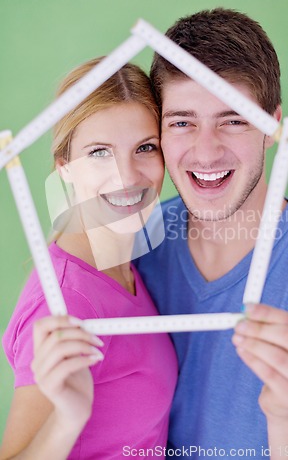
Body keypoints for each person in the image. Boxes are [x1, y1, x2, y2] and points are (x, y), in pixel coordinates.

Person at [133, 8, 288, 458]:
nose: (206, 151)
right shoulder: (136, 245)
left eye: (233, 119)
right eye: (182, 122)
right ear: (159, 133)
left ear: (272, 128)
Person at [0, 59, 178, 459]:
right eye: (99, 152)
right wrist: (67, 418)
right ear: (65, 167)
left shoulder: (128, 260)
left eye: (145, 147)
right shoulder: (63, 305)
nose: (127, 176)